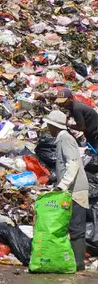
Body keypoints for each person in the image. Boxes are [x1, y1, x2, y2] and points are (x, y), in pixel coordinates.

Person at [44, 110, 88, 271]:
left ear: (53, 125)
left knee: (76, 226)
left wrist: (62, 186)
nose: (47, 127)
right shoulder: (63, 138)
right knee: (72, 225)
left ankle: (78, 263)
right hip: (72, 188)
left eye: (48, 124)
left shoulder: (65, 138)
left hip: (76, 189)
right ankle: (73, 260)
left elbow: (73, 163)